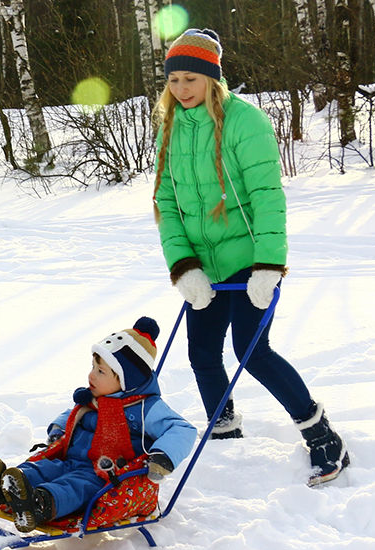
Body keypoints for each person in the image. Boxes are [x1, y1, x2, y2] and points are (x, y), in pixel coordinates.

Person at [152, 28, 349, 486]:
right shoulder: (170, 125)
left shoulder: (246, 122)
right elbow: (165, 201)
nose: (181, 89)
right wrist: (183, 267)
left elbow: (267, 199)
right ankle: (223, 431)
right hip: (204, 266)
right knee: (201, 352)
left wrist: (267, 266)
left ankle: (322, 436)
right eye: (174, 80)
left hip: (248, 260)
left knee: (250, 350)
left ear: (212, 79)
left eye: (191, 79)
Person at [0, 317, 197, 533]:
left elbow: (182, 429)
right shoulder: (96, 398)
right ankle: (0, 487)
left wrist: (162, 455)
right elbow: (72, 414)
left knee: (75, 487)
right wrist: (58, 429)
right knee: (43, 469)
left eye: (101, 371)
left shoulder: (146, 408)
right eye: (93, 367)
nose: (91, 376)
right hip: (70, 460)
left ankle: (40, 504)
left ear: (127, 380)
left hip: (103, 474)